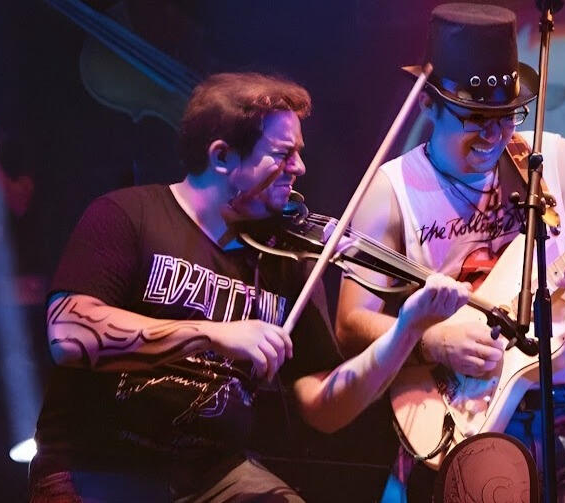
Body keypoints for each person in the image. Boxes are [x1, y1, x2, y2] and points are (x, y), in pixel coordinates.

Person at [28, 72, 471, 502]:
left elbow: (322, 407)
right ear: (222, 157)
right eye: (281, 154)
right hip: (99, 468)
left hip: (215, 476)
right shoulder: (127, 215)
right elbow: (69, 335)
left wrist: (405, 332)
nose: (298, 167)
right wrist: (213, 333)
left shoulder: (286, 259)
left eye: (297, 152)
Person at [334, 4, 565, 500]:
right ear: (429, 106)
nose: (494, 135)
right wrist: (430, 340)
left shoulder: (555, 158)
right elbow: (351, 325)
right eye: (475, 118)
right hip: (469, 414)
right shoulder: (390, 189)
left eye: (506, 117)